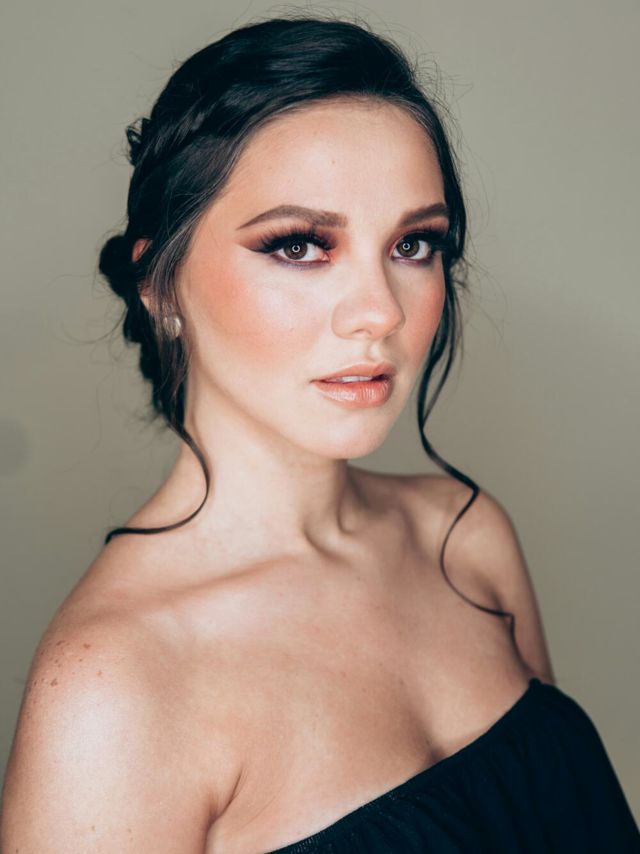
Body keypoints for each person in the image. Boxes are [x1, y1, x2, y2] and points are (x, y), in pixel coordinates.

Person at [1, 14, 638, 854]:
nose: (379, 311)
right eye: (301, 246)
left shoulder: (465, 539)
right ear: (159, 284)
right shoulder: (114, 688)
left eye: (413, 243)